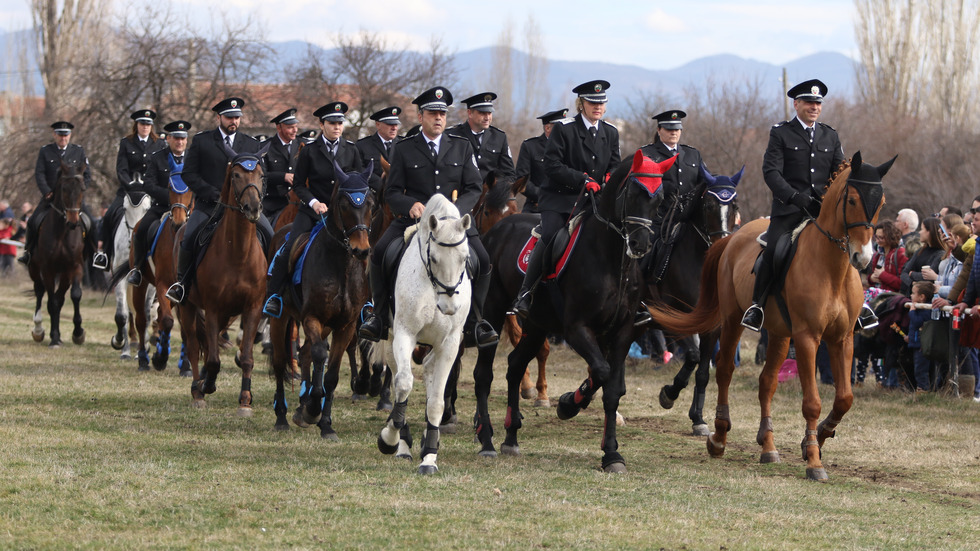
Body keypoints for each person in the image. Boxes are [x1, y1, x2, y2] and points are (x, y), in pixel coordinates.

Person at [358, 86, 498, 348]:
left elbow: (474, 188)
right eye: (433, 113)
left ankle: (476, 322)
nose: (438, 119)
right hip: (412, 223)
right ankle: (378, 318)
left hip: (454, 224)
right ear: (420, 116)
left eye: (442, 114)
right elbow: (392, 192)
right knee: (379, 255)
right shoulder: (403, 148)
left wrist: (457, 213)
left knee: (484, 260)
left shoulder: (461, 147)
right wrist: (410, 204)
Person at [511, 79, 623, 319]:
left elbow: (614, 164)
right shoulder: (564, 128)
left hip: (595, 200)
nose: (598, 107)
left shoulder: (611, 132)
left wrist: (609, 177)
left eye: (601, 103)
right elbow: (552, 165)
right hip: (561, 199)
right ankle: (526, 292)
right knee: (551, 234)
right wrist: (583, 180)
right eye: (592, 102)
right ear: (581, 104)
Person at [741, 79, 846, 331]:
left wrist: (828, 200)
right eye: (809, 102)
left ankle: (856, 304)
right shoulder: (781, 133)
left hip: (822, 212)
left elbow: (839, 173)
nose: (814, 107)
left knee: (848, 245)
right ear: (796, 104)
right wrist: (795, 197)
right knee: (775, 250)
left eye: (818, 103)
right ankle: (757, 306)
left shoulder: (830, 135)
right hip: (789, 210)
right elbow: (771, 172)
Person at [262, 101, 368, 318]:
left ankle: (368, 304)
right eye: (332, 123)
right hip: (311, 213)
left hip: (344, 216)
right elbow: (299, 185)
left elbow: (358, 184)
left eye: (340, 122)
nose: (337, 127)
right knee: (288, 247)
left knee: (366, 251)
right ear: (322, 125)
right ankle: (274, 297)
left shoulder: (352, 150)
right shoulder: (309, 151)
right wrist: (314, 203)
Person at [165, 97, 272, 303]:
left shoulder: (251, 144)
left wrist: (255, 198)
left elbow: (262, 177)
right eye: (230, 117)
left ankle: (271, 287)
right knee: (188, 237)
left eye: (237, 117)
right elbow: (189, 174)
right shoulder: (202, 141)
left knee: (270, 234)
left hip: (244, 209)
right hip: (209, 206)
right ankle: (182, 284)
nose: (234, 121)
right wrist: (211, 193)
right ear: (219, 117)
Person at [94, 109, 167, 270]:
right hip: (128, 191)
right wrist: (130, 185)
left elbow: (162, 169)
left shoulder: (160, 144)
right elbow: (121, 170)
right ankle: (104, 255)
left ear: (152, 126)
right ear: (137, 125)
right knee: (109, 216)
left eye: (148, 124)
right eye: (142, 123)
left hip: (151, 192)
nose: (145, 127)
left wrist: (154, 188)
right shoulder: (126, 142)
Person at [126, 120, 192, 286]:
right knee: (140, 230)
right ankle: (138, 268)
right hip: (162, 206)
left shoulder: (193, 159)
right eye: (176, 138)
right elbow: (148, 184)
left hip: (189, 208)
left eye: (183, 138)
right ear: (168, 139)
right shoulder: (157, 158)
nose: (180, 142)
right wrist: (171, 197)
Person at [19, 122, 94, 265]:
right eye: (60, 135)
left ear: (70, 135)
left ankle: (95, 254)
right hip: (51, 199)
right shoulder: (45, 151)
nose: (63, 138)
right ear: (54, 135)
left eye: (65, 135)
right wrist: (46, 191)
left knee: (92, 224)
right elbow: (39, 173)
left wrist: (80, 192)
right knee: (33, 221)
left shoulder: (79, 151)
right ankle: (28, 252)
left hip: (72, 200)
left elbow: (87, 175)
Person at [447, 92, 516, 184]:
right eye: (482, 113)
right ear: (469, 113)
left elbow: (509, 174)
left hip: (489, 195)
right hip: (461, 194)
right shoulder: (452, 135)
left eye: (489, 113)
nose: (487, 118)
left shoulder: (499, 137)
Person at [515, 108, 567, 213]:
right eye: (560, 127)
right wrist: (543, 196)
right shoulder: (530, 147)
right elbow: (522, 180)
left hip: (567, 205)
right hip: (537, 206)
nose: (565, 131)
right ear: (547, 128)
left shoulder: (571, 147)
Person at [262, 108, 300, 223]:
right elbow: (261, 176)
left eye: (296, 126)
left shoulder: (302, 145)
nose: (294, 130)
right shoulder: (266, 147)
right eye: (290, 127)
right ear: (279, 127)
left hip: (297, 203)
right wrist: (283, 177)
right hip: (272, 204)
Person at [356, 106, 401, 190]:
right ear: (378, 125)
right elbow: (359, 169)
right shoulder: (363, 145)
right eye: (390, 124)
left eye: (396, 124)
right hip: (374, 193)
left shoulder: (403, 144)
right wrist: (380, 182)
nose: (394, 128)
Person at [899, 217, 947, 296]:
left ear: (929, 231)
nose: (920, 232)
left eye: (922, 229)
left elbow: (927, 277)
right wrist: (912, 283)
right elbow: (904, 273)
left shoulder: (940, 254)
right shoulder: (920, 251)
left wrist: (912, 274)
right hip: (911, 295)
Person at [906, 281, 936, 392]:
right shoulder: (919, 309)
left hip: (921, 346)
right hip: (915, 343)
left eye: (913, 293)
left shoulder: (925, 311)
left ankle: (923, 389)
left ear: (922, 297)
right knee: (917, 367)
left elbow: (917, 322)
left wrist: (912, 312)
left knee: (920, 369)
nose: (911, 295)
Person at [867, 220, 907, 293]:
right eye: (876, 237)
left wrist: (883, 275)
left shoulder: (901, 253)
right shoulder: (877, 254)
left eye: (881, 238)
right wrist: (871, 278)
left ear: (890, 236)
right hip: (876, 294)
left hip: (891, 297)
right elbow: (872, 276)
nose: (878, 241)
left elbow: (902, 283)